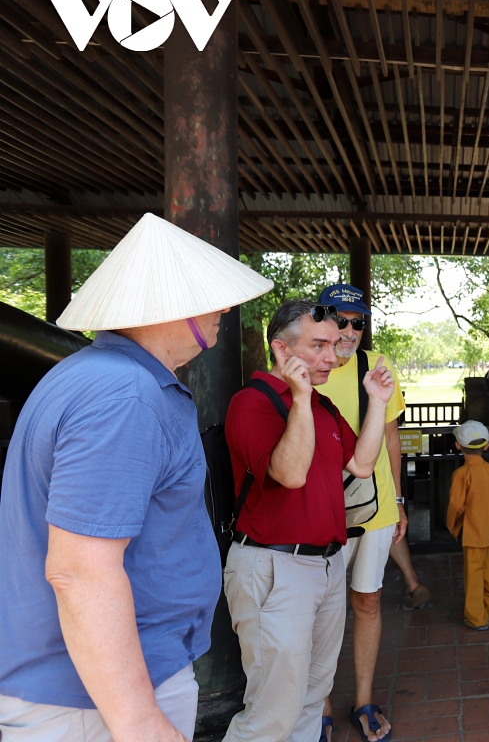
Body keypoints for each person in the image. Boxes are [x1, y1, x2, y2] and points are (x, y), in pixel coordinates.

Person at [0, 213, 272, 742]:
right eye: (211, 295)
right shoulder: (123, 395)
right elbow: (81, 572)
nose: (225, 308)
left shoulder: (96, 374)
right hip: (97, 697)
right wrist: (139, 720)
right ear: (169, 305)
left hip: (103, 680)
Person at [223, 299, 395, 742]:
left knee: (311, 695)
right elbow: (290, 473)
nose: (332, 356)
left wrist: (377, 402)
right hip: (276, 566)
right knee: (271, 712)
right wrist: (299, 397)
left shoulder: (321, 406)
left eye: (335, 345)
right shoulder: (252, 403)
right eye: (319, 346)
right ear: (281, 350)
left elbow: (360, 463)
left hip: (325, 564)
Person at [315, 284, 427, 742]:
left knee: (369, 600)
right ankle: (318, 703)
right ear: (322, 319)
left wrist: (399, 500)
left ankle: (363, 699)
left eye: (357, 322)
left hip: (376, 504)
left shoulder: (379, 367)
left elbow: (393, 439)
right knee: (319, 610)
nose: (348, 330)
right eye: (339, 320)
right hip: (320, 510)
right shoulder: (303, 366)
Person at [446, 421, 489, 631]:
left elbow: (456, 506)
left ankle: (477, 618)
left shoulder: (461, 475)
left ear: (458, 445)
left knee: (474, 575)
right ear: (487, 446)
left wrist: (453, 526)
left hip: (473, 534)